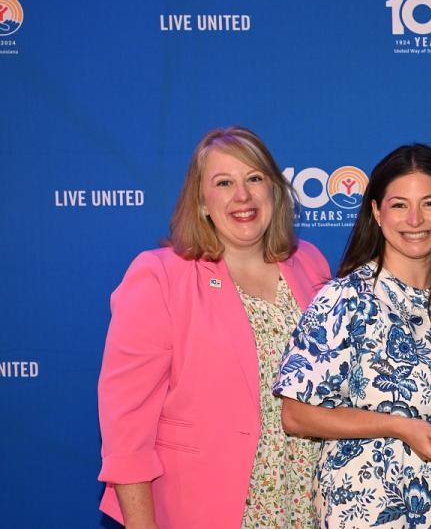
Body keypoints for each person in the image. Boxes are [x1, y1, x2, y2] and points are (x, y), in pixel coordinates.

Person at [97, 126, 332, 528]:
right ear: (202, 201)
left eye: (254, 179)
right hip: (207, 508)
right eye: (224, 183)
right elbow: (126, 431)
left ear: (275, 191)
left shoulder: (309, 263)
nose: (242, 196)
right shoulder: (159, 277)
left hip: (308, 502)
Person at [274, 143, 431, 528]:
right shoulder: (347, 298)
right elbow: (296, 414)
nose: (415, 219)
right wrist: (398, 425)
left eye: (429, 203)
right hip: (370, 512)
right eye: (399, 205)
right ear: (377, 212)